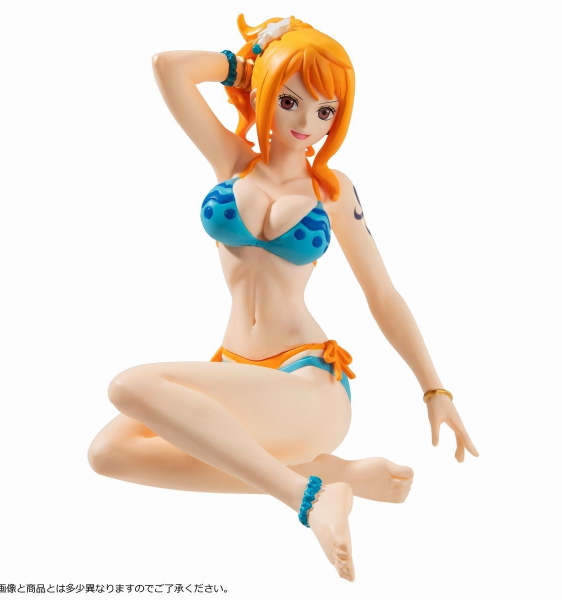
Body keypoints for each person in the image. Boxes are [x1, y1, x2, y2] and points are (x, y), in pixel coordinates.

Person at [87, 14, 478, 582]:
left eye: (325, 111)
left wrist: (434, 389)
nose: (306, 123)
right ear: (265, 92)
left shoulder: (332, 191)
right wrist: (244, 65)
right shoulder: (232, 162)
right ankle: (335, 477)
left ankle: (306, 497)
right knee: (108, 453)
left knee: (129, 386)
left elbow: (382, 292)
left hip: (307, 381)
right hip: (236, 369)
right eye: (290, 100)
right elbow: (169, 68)